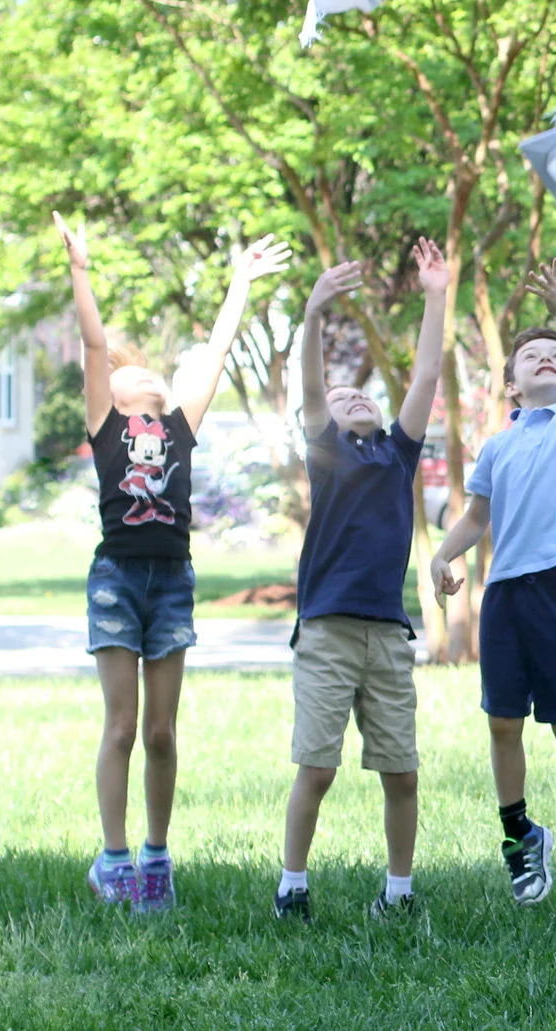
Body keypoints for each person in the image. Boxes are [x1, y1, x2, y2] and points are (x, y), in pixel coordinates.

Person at [59, 213, 290, 913]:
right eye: (135, 371)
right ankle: (114, 858)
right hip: (117, 581)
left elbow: (217, 350)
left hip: (172, 583)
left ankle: (157, 858)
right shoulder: (108, 428)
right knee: (122, 727)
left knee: (161, 732)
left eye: (154, 370)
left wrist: (241, 282)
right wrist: (80, 269)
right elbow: (96, 343)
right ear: (117, 394)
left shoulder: (179, 430)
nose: (148, 370)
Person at [274, 240, 448, 922]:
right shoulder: (327, 452)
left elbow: (428, 372)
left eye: (362, 392)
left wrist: (437, 294)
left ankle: (398, 892)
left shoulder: (396, 454)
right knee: (317, 768)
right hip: (326, 631)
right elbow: (314, 387)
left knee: (401, 771)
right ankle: (292, 884)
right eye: (343, 396)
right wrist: (315, 309)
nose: (353, 396)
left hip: (387, 635)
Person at [430, 258, 556, 908]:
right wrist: (444, 555)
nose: (547, 359)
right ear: (510, 384)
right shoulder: (498, 446)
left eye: (555, 354)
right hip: (505, 596)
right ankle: (518, 836)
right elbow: (478, 513)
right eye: (532, 354)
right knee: (503, 721)